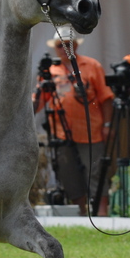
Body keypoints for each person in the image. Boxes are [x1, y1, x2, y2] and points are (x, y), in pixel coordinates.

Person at [33, 29, 115, 216]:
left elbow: (106, 98)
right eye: (59, 45)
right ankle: (81, 212)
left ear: (75, 45)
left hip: (91, 131)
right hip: (61, 133)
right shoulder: (50, 71)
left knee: (96, 172)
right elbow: (39, 101)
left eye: (66, 44)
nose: (63, 49)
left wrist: (107, 125)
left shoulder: (91, 65)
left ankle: (102, 213)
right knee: (69, 174)